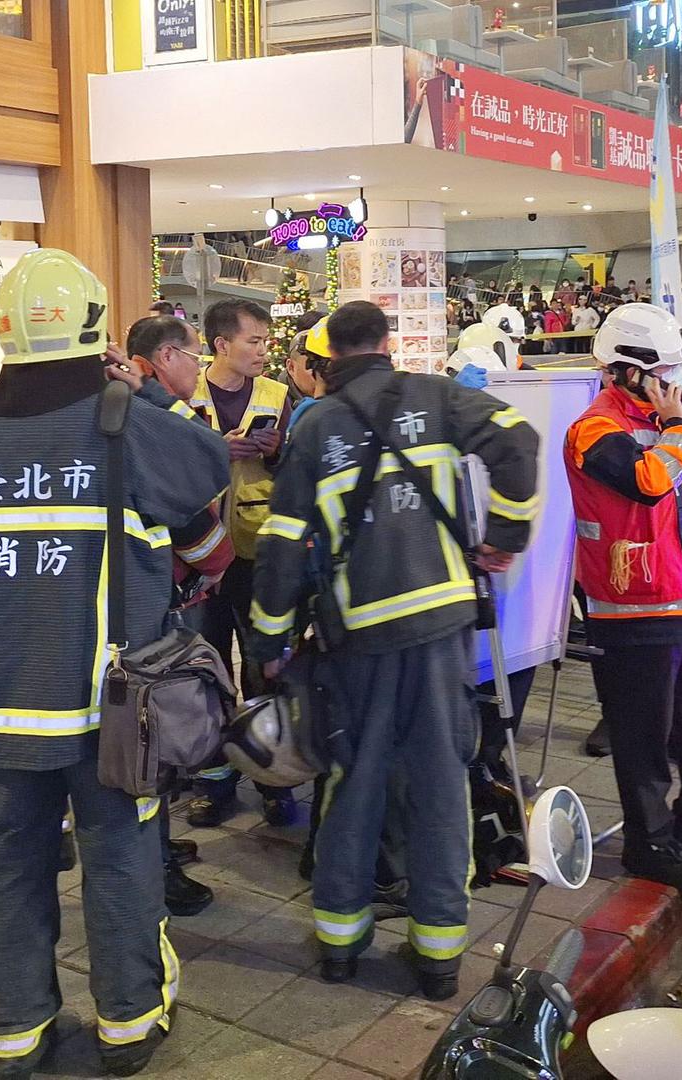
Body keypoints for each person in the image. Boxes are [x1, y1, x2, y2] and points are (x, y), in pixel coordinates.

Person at [0, 251, 229, 1078]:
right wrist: (143, 389)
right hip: (112, 709)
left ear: (2, 331)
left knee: (11, 861)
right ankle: (127, 1025)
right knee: (120, 857)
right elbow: (206, 483)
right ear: (97, 329)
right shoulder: (128, 420)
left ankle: (11, 1032)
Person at [248, 300, 539, 1001]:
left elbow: (283, 545)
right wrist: (507, 536)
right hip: (442, 630)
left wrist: (268, 639)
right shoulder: (438, 398)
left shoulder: (317, 426)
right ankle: (439, 956)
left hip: (360, 641)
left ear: (327, 360)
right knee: (440, 779)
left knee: (353, 782)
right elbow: (520, 443)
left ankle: (342, 944)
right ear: (385, 344)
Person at [564, 304, 682, 890]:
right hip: (633, 602)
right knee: (643, 734)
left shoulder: (659, 418)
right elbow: (647, 485)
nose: (674, 377)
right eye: (664, 366)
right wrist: (678, 429)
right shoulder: (595, 428)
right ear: (626, 369)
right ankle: (651, 840)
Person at [120, 312, 233, 918]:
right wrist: (214, 562)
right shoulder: (143, 414)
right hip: (141, 613)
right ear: (165, 356)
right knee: (145, 741)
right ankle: (154, 870)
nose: (199, 368)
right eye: (195, 355)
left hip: (105, 616)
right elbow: (197, 480)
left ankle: (156, 848)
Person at [186, 298, 297, 827]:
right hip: (200, 554)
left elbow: (293, 466)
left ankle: (274, 777)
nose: (262, 349)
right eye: (252, 340)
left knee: (264, 667)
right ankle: (214, 778)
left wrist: (274, 451)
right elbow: (170, 463)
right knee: (206, 671)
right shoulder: (187, 393)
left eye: (265, 340)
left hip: (258, 550)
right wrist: (214, 450)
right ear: (221, 345)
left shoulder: (278, 393)